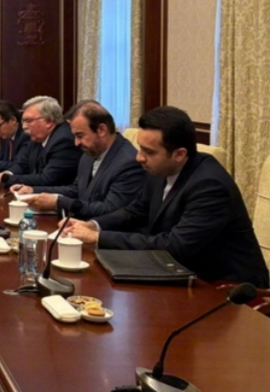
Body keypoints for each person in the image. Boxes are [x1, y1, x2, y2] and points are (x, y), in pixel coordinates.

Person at [66, 106, 269, 288]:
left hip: (226, 289)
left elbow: (175, 247)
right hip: (176, 272)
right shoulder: (159, 169)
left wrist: (99, 238)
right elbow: (135, 211)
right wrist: (93, 225)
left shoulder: (209, 186)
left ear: (179, 154)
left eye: (148, 151)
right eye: (140, 148)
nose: (139, 157)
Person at [13, 100, 144, 218]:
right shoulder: (89, 153)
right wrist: (33, 190)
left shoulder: (128, 162)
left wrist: (59, 203)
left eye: (80, 136)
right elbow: (76, 189)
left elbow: (110, 210)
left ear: (101, 130)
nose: (76, 143)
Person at [0, 95, 81, 188]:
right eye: (23, 121)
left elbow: (47, 179)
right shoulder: (37, 137)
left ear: (49, 121)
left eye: (29, 121)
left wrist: (5, 180)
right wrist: (2, 176)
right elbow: (22, 165)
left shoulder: (64, 140)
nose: (24, 126)